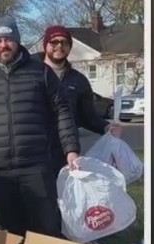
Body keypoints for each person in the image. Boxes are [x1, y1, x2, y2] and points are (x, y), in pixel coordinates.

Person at [0, 15, 79, 240]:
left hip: (36, 167)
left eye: (8, 39)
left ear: (18, 41)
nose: (4, 45)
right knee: (12, 233)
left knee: (47, 229)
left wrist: (71, 149)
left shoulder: (41, 72)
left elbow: (62, 112)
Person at [38, 25, 121, 181]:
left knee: (65, 194)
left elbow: (88, 116)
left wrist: (107, 127)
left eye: (64, 42)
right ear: (45, 45)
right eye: (54, 42)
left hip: (66, 152)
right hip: (35, 152)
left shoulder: (78, 80)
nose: (59, 46)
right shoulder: (31, 74)